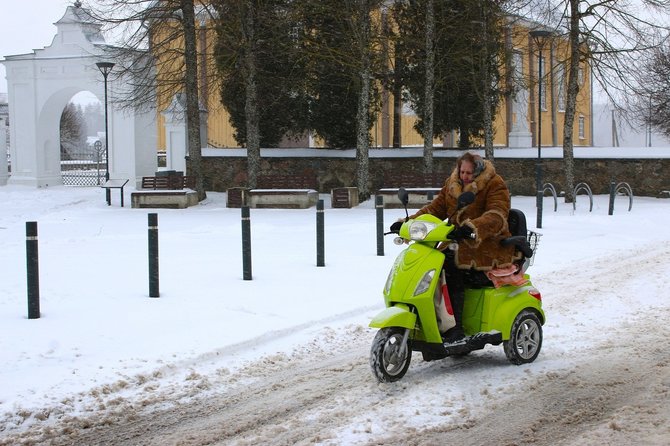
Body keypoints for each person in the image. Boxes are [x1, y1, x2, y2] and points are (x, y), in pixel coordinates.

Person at [407, 152, 521, 346]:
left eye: (469, 173)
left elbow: (497, 214)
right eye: (462, 172)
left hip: (487, 245)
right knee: (428, 263)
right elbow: (435, 208)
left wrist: (472, 227)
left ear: (478, 172)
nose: (465, 176)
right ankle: (430, 318)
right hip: (458, 241)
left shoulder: (494, 184)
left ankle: (455, 328)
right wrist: (408, 222)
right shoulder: (452, 184)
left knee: (450, 266)